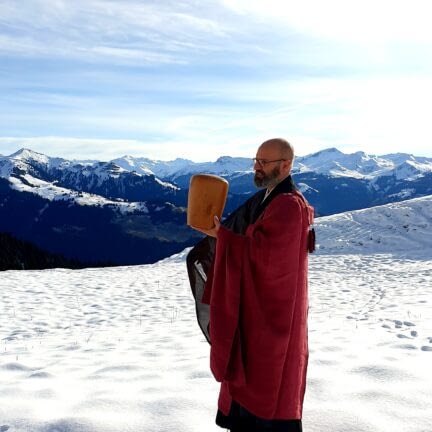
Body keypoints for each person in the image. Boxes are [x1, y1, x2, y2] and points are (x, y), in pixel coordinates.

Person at [186, 138, 315, 432]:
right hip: (257, 314)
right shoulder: (271, 198)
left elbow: (266, 258)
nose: (256, 168)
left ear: (286, 165)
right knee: (249, 379)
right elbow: (254, 246)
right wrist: (220, 235)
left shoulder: (289, 206)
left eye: (264, 162)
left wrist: (224, 238)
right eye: (255, 161)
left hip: (273, 319)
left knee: (268, 385)